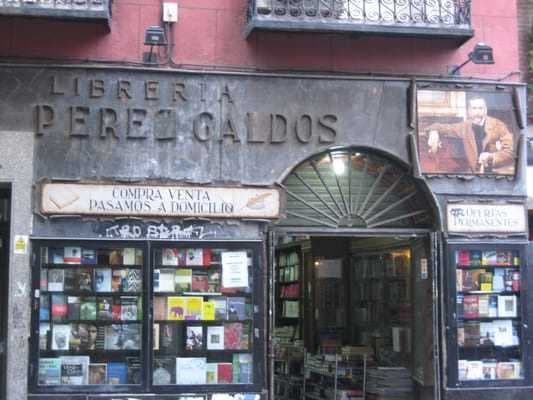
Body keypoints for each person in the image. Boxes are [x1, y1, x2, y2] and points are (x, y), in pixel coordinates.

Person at [424, 96, 514, 174]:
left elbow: (510, 152)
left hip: (496, 176)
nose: (477, 112)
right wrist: (433, 131)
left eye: (480, 108)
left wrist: (491, 157)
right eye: (474, 108)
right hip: (475, 175)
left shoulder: (498, 125)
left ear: (485, 110)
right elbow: (445, 127)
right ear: (468, 111)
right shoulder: (465, 127)